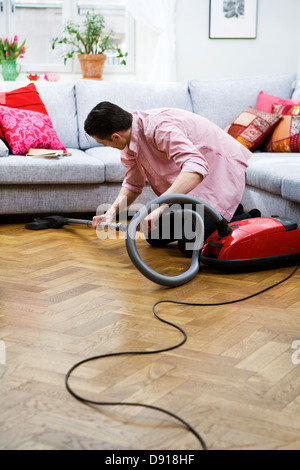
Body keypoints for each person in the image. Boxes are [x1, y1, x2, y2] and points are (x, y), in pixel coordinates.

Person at [84, 101, 259, 255]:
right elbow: (132, 184)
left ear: (116, 136)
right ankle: (218, 215)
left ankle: (242, 215)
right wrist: (111, 213)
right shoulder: (128, 144)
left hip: (220, 174)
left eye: (103, 142)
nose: (105, 146)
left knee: (189, 245)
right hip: (193, 184)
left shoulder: (159, 128)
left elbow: (196, 167)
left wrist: (159, 208)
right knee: (154, 235)